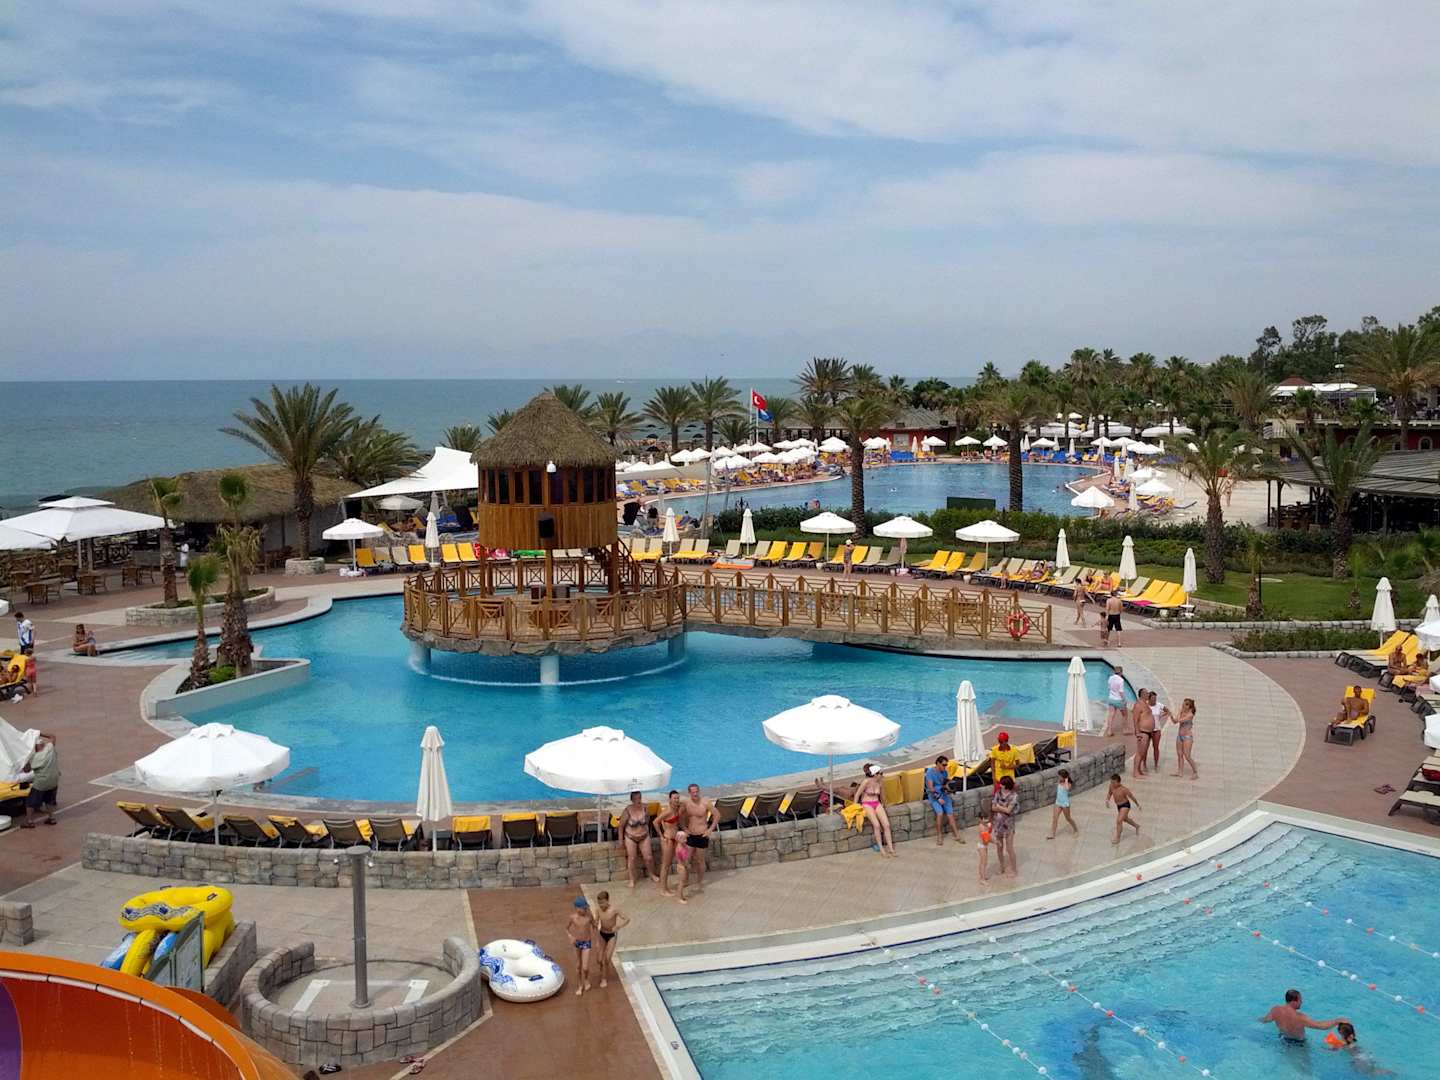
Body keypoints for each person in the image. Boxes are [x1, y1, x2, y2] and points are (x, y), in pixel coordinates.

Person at [1257, 989, 1345, 1044]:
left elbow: (1265, 1020)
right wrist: (1337, 1021)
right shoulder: (1299, 1017)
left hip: (1283, 1040)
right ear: (1294, 1001)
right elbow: (1320, 1026)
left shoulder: (1275, 1010)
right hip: (1298, 1044)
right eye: (1300, 1000)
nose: (1301, 1002)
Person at [618, 790, 659, 889]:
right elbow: (621, 826)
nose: (638, 800)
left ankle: (651, 874)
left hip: (644, 836)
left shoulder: (645, 808)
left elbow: (648, 821)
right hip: (630, 837)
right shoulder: (627, 810)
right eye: (636, 799)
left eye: (639, 798)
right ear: (632, 800)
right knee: (632, 858)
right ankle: (632, 879)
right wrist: (620, 840)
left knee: (648, 857)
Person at [854, 764, 896, 856]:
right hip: (867, 804)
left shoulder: (880, 783)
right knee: (876, 825)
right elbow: (857, 795)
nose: (882, 775)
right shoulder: (866, 782)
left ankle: (891, 848)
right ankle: (881, 849)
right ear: (875, 774)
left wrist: (885, 805)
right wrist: (855, 808)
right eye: (880, 773)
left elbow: (882, 797)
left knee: (887, 825)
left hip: (877, 803)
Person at [1324, 1021, 1394, 1075]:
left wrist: (1325, 1049)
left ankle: (1388, 1072)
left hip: (1359, 1059)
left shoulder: (1343, 1044)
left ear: (1342, 1034)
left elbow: (1334, 1049)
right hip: (1363, 1055)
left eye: (1340, 1034)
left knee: (1369, 1073)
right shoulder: (1352, 1040)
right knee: (1371, 1069)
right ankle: (1388, 1072)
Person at [20, 733, 60, 828]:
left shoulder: (34, 757)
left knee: (30, 802)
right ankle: (51, 818)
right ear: (43, 745)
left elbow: (26, 770)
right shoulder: (50, 749)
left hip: (41, 783)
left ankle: (29, 821)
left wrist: (25, 760)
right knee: (49, 800)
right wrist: (39, 733)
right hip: (54, 780)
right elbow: (53, 736)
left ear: (35, 747)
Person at [591, 891, 629, 989]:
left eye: (603, 903)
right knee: (599, 959)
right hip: (602, 934)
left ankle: (604, 978)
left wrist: (618, 926)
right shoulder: (598, 910)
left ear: (607, 901)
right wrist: (594, 923)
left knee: (606, 959)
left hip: (612, 935)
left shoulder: (614, 910)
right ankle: (603, 968)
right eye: (599, 903)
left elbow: (627, 919)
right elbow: (596, 922)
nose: (601, 905)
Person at [680, 783, 714, 889]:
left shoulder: (705, 802)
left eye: (696, 791)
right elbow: (680, 816)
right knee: (686, 860)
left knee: (700, 861)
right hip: (690, 835)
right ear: (689, 793)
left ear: (699, 791)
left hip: (702, 835)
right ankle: (685, 880)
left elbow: (717, 815)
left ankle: (700, 881)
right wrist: (684, 828)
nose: (695, 794)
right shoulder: (686, 803)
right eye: (693, 792)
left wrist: (710, 830)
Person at [924, 755, 962, 845]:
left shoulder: (944, 772)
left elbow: (944, 784)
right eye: (943, 765)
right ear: (938, 763)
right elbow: (931, 788)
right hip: (934, 795)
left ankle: (957, 835)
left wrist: (949, 788)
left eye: (946, 765)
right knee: (940, 813)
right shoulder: (930, 772)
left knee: (950, 814)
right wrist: (938, 798)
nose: (945, 767)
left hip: (943, 793)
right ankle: (939, 836)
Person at [565, 897, 594, 995]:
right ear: (577, 908)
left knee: (585, 967)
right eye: (584, 908)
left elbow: (594, 926)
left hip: (586, 943)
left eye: (586, 908)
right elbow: (566, 928)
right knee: (578, 966)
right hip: (577, 943)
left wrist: (594, 937)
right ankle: (580, 985)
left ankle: (586, 979)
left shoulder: (589, 917)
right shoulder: (572, 918)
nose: (585, 910)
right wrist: (570, 936)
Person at [990, 776, 1018, 877]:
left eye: (1001, 783)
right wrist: (1002, 808)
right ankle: (1001, 867)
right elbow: (993, 808)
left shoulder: (1014, 796)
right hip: (998, 824)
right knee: (999, 847)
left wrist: (999, 807)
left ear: (1006, 785)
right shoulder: (998, 793)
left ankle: (1014, 870)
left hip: (1008, 825)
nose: (1000, 785)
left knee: (1009, 848)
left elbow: (1009, 811)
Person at [656, 790, 683, 896]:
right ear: (670, 799)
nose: (676, 800)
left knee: (681, 861)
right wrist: (661, 836)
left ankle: (682, 882)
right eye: (674, 798)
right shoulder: (668, 811)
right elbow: (655, 822)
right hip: (668, 839)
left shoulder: (677, 808)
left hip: (675, 839)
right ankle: (663, 890)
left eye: (677, 798)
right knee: (666, 865)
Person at [1106, 773, 1139, 845]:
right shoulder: (1111, 786)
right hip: (1119, 806)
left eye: (1114, 782)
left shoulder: (1124, 789)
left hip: (1125, 805)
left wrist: (1137, 805)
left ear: (1118, 782)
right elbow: (1109, 793)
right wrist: (1107, 800)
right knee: (1125, 819)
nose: (1112, 784)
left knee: (1119, 821)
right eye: (1111, 782)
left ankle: (1117, 838)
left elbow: (1132, 797)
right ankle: (1136, 826)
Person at [1170, 698, 1198, 779]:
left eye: (1186, 704)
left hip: (1187, 737)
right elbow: (1174, 721)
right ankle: (1180, 772)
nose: (1183, 705)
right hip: (1179, 736)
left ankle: (1195, 772)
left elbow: (1179, 720)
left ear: (1190, 707)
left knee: (1187, 756)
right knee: (1179, 754)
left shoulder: (1190, 715)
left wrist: (1174, 715)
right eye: (1184, 703)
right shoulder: (1181, 711)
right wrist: (1171, 715)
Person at [1047, 768, 1078, 838]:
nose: (1058, 777)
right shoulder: (1059, 781)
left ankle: (1075, 830)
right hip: (1058, 802)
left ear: (1064, 777)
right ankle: (1052, 834)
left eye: (1060, 776)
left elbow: (1067, 788)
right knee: (1055, 818)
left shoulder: (1068, 784)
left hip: (1065, 804)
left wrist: (1066, 780)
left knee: (1068, 818)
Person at [1131, 691, 1153, 778]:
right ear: (1142, 694)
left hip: (1148, 732)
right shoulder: (1138, 705)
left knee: (1143, 753)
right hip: (1142, 732)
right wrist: (1137, 732)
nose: (1148, 694)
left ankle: (1139, 770)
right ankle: (1135, 772)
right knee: (1140, 752)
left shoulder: (1146, 704)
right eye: (1147, 693)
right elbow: (1135, 719)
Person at [1146, 690, 1168, 769]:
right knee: (1145, 747)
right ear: (1149, 699)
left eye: (1155, 698)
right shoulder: (1145, 705)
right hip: (1147, 729)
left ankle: (1156, 764)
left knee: (1155, 747)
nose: (1154, 700)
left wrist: (1161, 715)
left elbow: (1167, 711)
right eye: (1153, 699)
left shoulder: (1159, 705)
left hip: (1157, 729)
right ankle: (1144, 763)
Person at [1104, 666, 1126, 735]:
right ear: (1121, 672)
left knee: (1111, 715)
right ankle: (1124, 730)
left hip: (1111, 699)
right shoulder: (1121, 680)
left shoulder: (1110, 678)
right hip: (1119, 700)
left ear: (1114, 672)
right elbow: (1121, 692)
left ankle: (1109, 731)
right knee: (1125, 714)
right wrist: (1124, 700)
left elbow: (1109, 687)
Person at [673, 830, 693, 903]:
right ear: (679, 839)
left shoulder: (682, 846)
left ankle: (681, 896)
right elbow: (684, 860)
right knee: (681, 883)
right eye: (684, 839)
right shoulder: (680, 849)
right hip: (682, 867)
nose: (686, 840)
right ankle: (679, 897)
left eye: (686, 838)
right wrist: (688, 865)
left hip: (682, 866)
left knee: (683, 882)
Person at [976, 809, 992, 885]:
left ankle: (982, 875)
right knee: (983, 862)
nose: (986, 820)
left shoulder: (985, 825)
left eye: (987, 818)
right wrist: (995, 842)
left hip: (984, 846)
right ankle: (982, 879)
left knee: (983, 862)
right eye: (984, 819)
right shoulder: (982, 828)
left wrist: (988, 828)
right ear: (980, 819)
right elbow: (986, 839)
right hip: (982, 846)